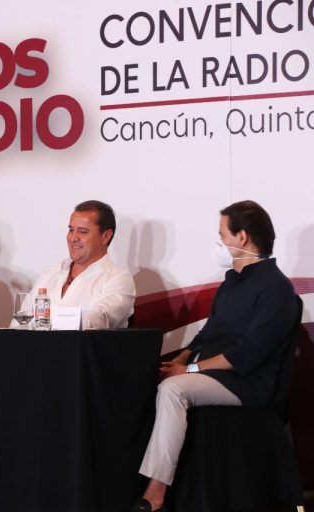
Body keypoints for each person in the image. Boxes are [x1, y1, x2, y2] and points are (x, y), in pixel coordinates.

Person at [132, 200, 299, 512]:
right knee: (158, 379)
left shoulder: (276, 289)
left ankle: (155, 494)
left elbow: (246, 354)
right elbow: (208, 335)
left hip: (247, 383)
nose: (220, 242)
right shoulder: (232, 283)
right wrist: (181, 360)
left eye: (223, 235)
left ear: (242, 237)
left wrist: (189, 372)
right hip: (214, 373)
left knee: (173, 389)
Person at [26, 200, 135, 329]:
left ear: (106, 236)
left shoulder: (118, 279)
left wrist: (45, 325)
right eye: (71, 230)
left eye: (82, 232)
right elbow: (20, 324)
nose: (72, 238)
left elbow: (96, 322)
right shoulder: (49, 274)